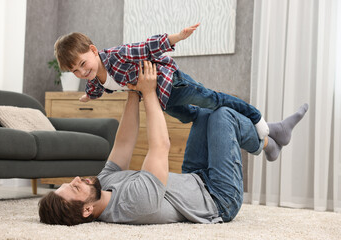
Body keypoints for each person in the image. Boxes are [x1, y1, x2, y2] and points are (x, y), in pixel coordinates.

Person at [38, 61, 309, 226]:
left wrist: (132, 93)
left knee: (207, 112)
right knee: (224, 115)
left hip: (195, 176)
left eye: (71, 181)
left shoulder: (102, 185)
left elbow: (123, 143)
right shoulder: (133, 205)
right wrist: (148, 92)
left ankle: (271, 142)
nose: (77, 179)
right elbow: (161, 146)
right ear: (87, 210)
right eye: (74, 187)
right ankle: (270, 141)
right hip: (219, 199)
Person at [53, 24, 269, 140]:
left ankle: (254, 116)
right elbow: (96, 87)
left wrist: (177, 37)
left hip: (171, 83)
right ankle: (214, 121)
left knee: (212, 99)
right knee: (187, 116)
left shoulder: (118, 55)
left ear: (93, 50)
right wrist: (88, 96)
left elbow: (147, 47)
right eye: (75, 71)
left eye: (82, 64)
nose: (81, 72)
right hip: (159, 98)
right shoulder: (93, 77)